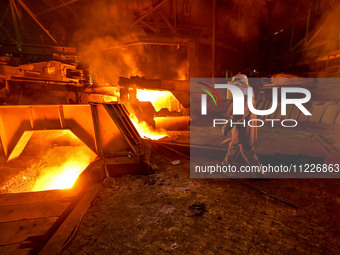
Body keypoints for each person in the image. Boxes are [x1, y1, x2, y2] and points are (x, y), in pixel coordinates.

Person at [221, 73, 263, 178]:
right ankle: (225, 165)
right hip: (245, 127)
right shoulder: (248, 94)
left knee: (247, 151)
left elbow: (237, 115)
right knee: (233, 147)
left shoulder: (241, 96)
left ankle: (258, 172)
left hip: (243, 129)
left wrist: (226, 127)